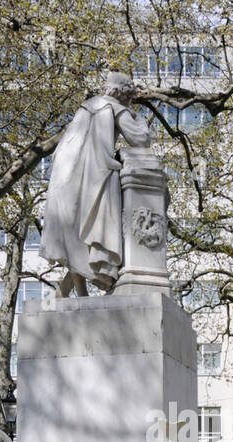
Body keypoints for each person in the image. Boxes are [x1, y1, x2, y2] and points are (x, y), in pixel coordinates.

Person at [40, 72, 153, 297]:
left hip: (64, 178)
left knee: (75, 235)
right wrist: (139, 118)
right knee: (90, 233)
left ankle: (74, 293)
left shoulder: (87, 106)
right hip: (91, 177)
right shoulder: (114, 107)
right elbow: (141, 140)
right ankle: (86, 288)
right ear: (124, 93)